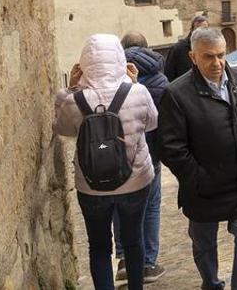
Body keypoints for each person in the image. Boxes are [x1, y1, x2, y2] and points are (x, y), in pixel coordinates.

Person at [158, 27, 237, 290]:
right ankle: (211, 283)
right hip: (203, 188)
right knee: (204, 243)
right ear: (193, 57)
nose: (217, 63)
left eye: (221, 55)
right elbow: (172, 148)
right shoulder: (177, 93)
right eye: (208, 57)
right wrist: (198, 178)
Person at [53, 34, 159, 290]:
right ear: (120, 60)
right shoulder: (138, 92)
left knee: (99, 246)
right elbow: (152, 122)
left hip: (91, 186)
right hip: (135, 182)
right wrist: (132, 82)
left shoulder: (74, 100)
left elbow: (63, 129)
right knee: (134, 241)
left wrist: (70, 89)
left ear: (84, 63)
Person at [107, 32, 170, 284]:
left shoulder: (111, 77)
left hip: (116, 156)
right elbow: (160, 122)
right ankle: (148, 263)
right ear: (148, 48)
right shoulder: (160, 80)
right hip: (150, 154)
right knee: (151, 207)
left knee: (119, 207)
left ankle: (124, 258)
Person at [164, 14, 209, 82]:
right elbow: (168, 75)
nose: (201, 33)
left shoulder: (210, 48)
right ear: (192, 30)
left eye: (205, 30)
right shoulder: (177, 49)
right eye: (198, 30)